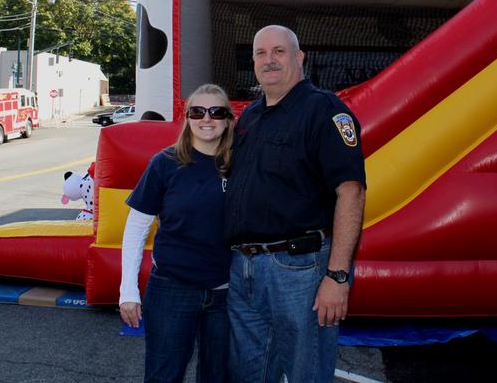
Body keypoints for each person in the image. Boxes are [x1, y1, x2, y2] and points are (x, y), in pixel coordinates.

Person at [225, 25, 367, 383]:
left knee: (307, 373)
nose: (269, 60)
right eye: (261, 53)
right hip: (244, 269)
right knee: (250, 374)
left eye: (279, 51)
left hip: (299, 270)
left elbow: (351, 192)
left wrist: (337, 276)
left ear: (299, 57)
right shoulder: (251, 118)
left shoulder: (324, 110)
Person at [119, 83, 235, 383]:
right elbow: (135, 229)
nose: (207, 119)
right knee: (164, 376)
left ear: (228, 119)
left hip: (227, 293)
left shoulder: (241, 164)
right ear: (187, 117)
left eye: (216, 112)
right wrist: (127, 292)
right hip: (172, 289)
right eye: (198, 111)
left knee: (218, 377)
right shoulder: (165, 163)